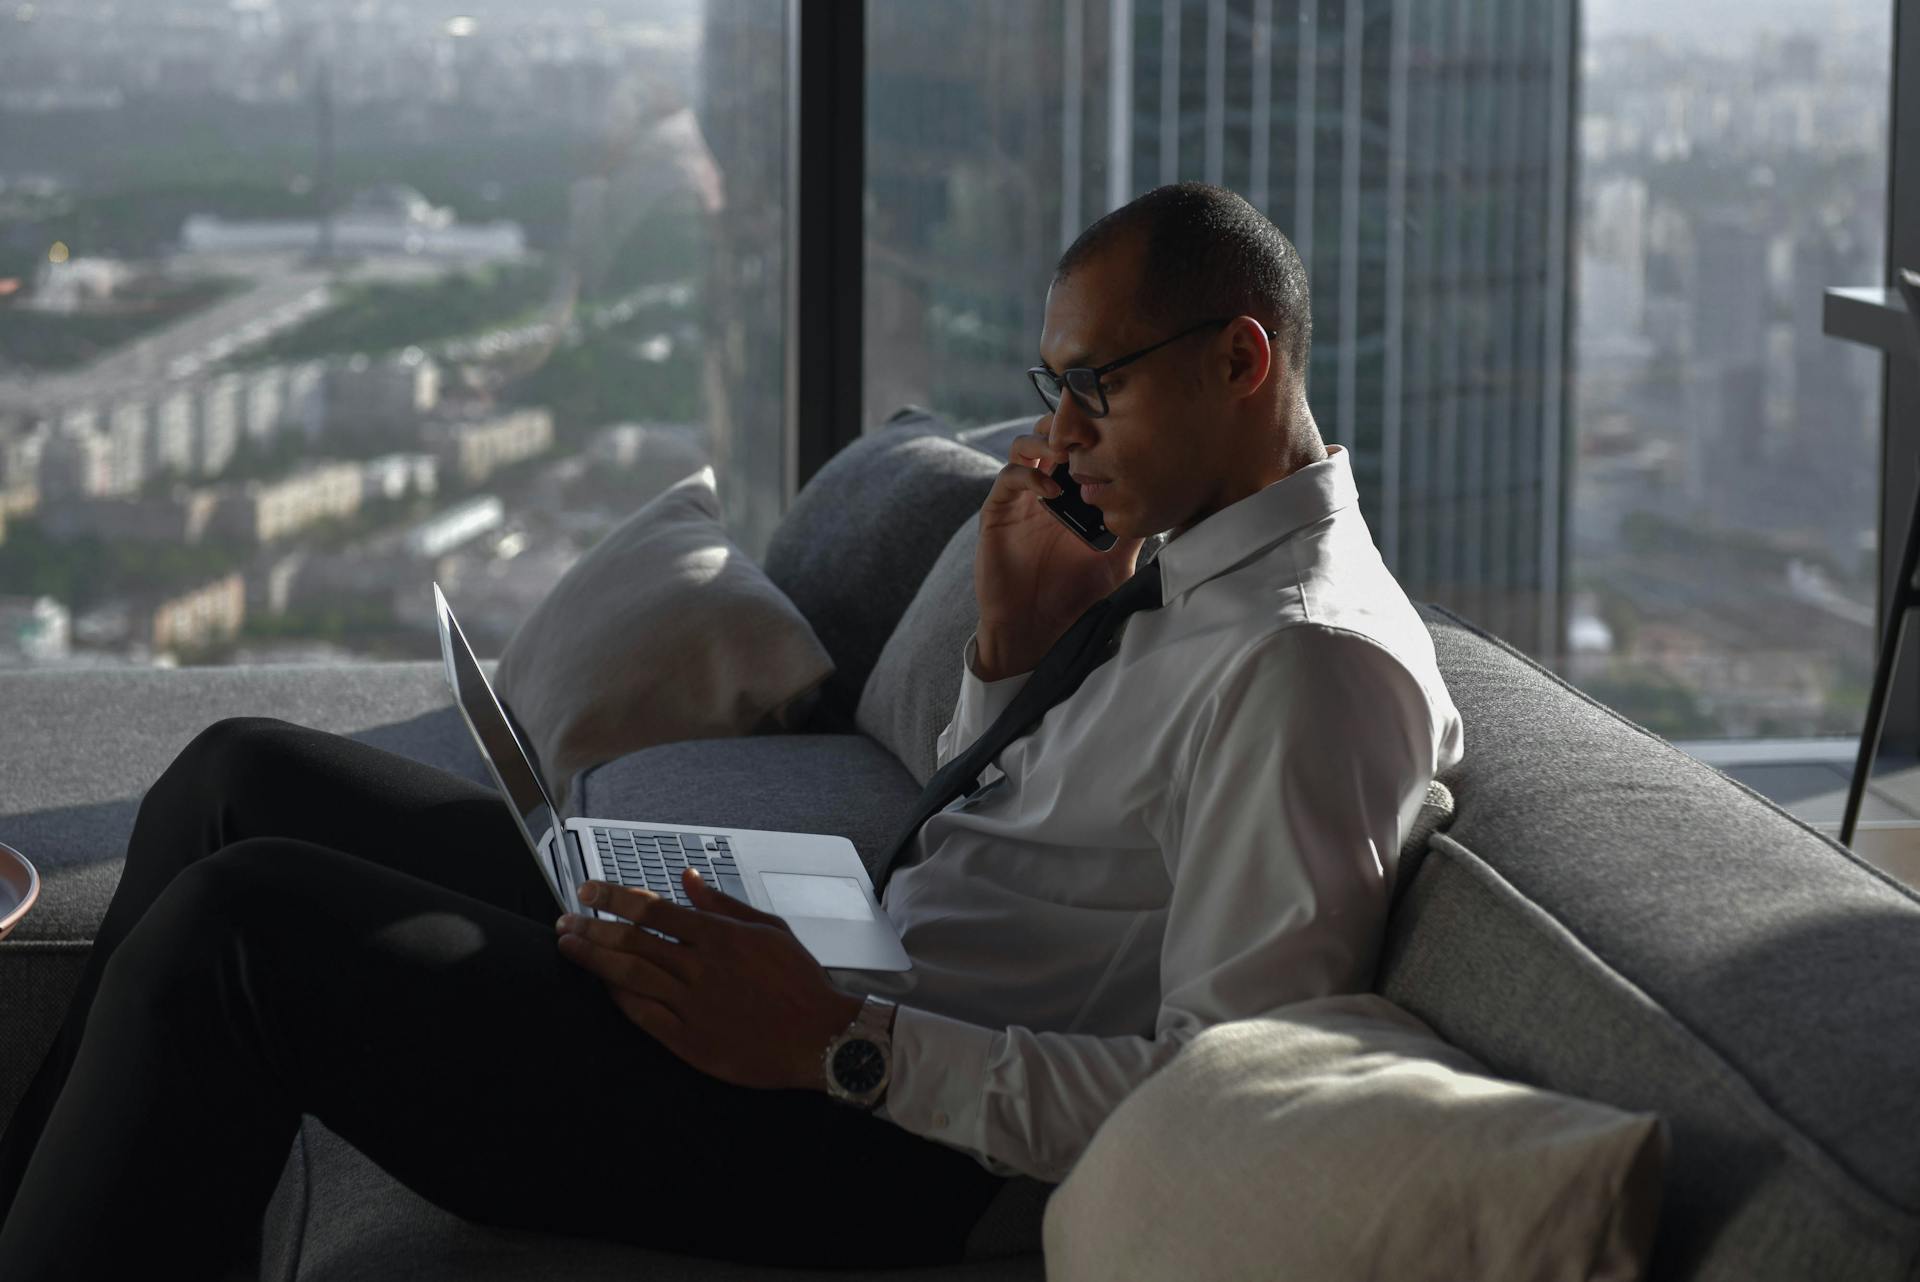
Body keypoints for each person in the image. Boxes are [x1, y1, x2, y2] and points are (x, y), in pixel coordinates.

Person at [0, 181, 1463, 1277]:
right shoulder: (1185, 568)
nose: (1060, 434)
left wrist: (841, 1040)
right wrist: (1006, 658)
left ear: (1241, 360)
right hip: (845, 983)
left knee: (243, 928)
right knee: (240, 774)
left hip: (878, 1143)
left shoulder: (1312, 663)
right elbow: (1051, 858)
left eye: (1098, 387)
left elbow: (1226, 1102)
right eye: (1053, 388)